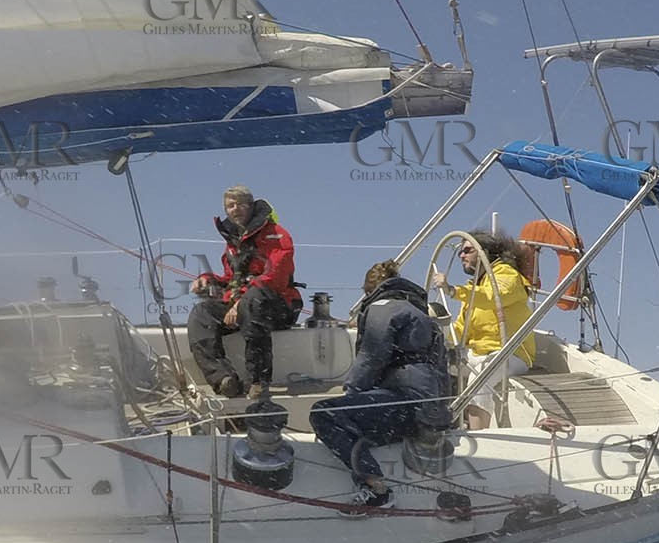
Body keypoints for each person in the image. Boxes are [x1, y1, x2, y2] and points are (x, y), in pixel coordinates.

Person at [309, 260, 452, 512]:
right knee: (356, 417)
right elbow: (441, 372)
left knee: (325, 414)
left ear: (369, 291)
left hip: (404, 403)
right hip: (425, 411)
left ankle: (377, 490)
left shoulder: (383, 307)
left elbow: (371, 359)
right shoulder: (420, 314)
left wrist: (351, 396)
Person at [188, 185, 301, 402]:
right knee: (202, 313)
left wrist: (239, 303)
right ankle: (223, 379)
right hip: (243, 303)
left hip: (278, 305)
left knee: (253, 300)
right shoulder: (233, 242)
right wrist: (207, 279)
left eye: (240, 204)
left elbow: (274, 277)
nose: (235, 209)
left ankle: (258, 382)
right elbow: (231, 278)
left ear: (251, 206)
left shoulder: (276, 235)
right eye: (230, 206)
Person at [430, 230, 535, 430]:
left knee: (479, 376)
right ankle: (436, 424)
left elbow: (495, 296)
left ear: (484, 252)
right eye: (461, 252)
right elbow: (461, 329)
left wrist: (452, 291)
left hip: (510, 354)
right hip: (478, 353)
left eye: (468, 250)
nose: (462, 255)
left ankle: (480, 436)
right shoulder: (473, 289)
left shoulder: (507, 275)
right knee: (434, 365)